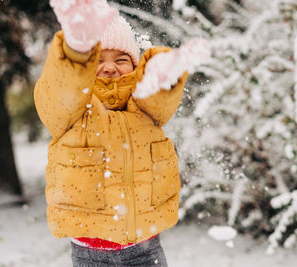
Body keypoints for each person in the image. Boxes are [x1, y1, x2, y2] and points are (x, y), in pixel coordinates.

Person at [34, 0, 210, 266]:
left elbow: (157, 98)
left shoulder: (144, 105)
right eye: (98, 60)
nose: (109, 67)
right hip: (90, 250)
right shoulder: (73, 110)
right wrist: (77, 52)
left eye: (121, 59)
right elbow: (60, 90)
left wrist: (165, 74)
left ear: (135, 64)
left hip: (145, 247)